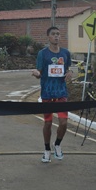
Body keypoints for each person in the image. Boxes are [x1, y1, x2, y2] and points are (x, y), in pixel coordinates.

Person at [31, 26, 73, 163]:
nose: (56, 36)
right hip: (47, 93)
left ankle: (57, 144)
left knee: (63, 122)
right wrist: (36, 74)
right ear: (48, 37)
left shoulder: (65, 53)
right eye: (53, 34)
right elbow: (39, 72)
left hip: (61, 93)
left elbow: (68, 69)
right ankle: (47, 149)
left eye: (58, 34)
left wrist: (70, 73)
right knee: (48, 123)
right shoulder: (42, 54)